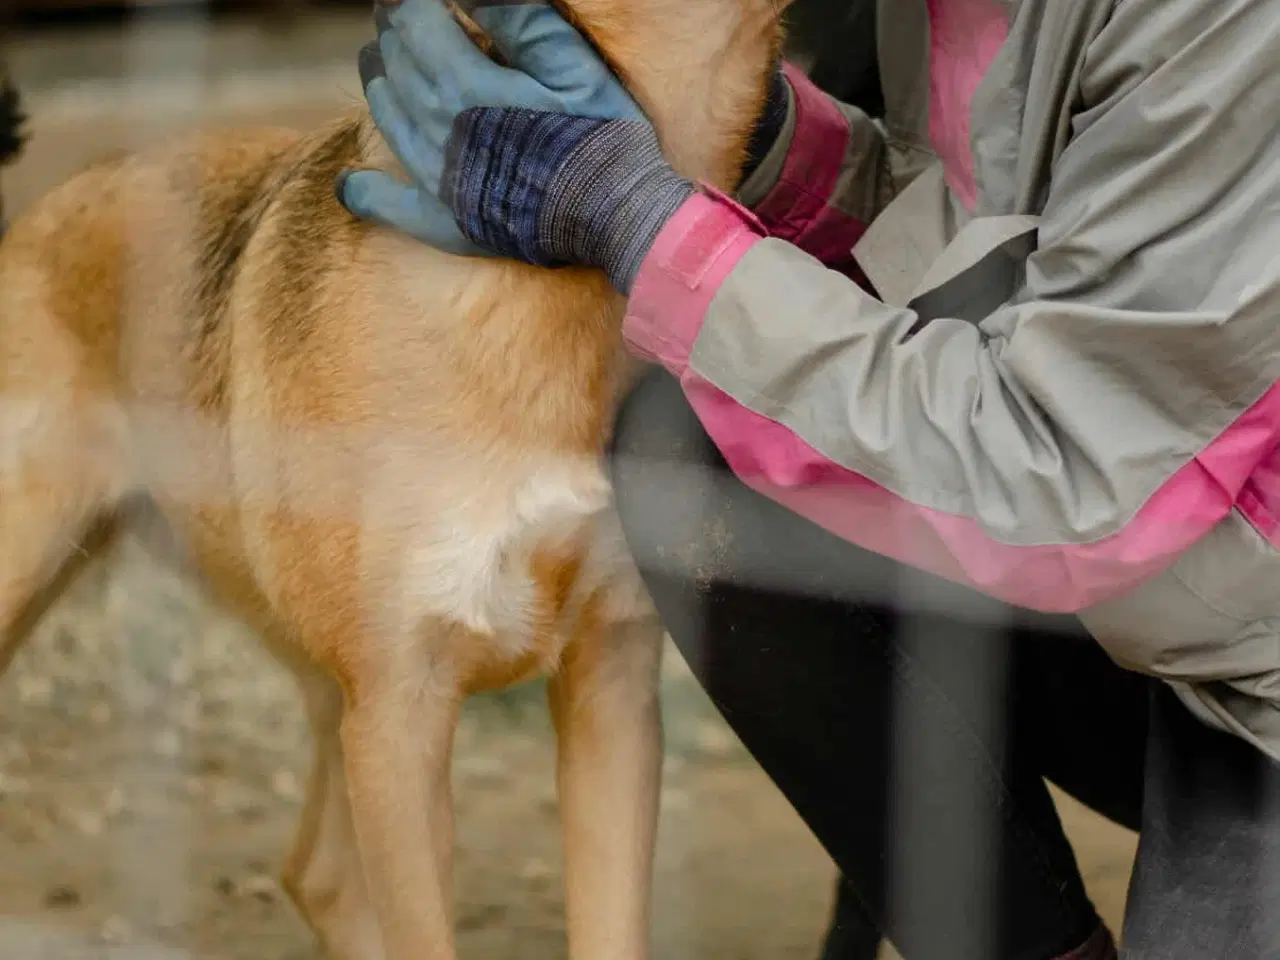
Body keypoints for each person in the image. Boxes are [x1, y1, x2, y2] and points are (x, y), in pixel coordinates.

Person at [335, 0, 1280, 957]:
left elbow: (1072, 479)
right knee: (689, 451)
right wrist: (752, 154)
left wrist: (638, 217)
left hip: (1248, 673)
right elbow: (999, 241)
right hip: (1166, 628)